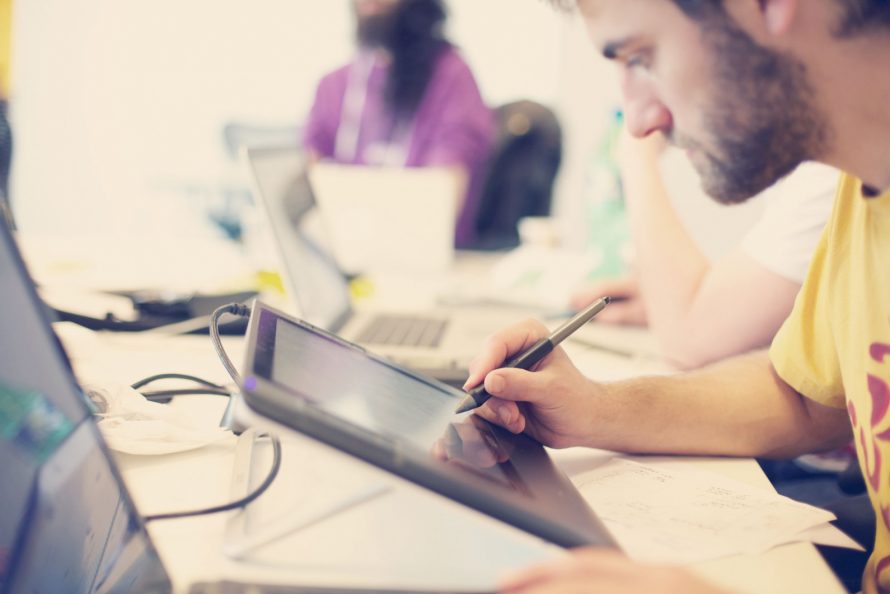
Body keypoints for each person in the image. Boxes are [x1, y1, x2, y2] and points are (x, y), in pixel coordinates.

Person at [465, 1, 890, 593]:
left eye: (643, 57)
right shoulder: (862, 186)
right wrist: (595, 408)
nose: (640, 122)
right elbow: (808, 400)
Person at [571, 131, 837, 370]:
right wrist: (667, 303)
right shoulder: (807, 168)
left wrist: (635, 150)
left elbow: (689, 345)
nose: (650, 118)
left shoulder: (829, 174)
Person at [302, 0, 495, 249]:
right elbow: (311, 179)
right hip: (344, 253)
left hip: (428, 258)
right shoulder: (334, 85)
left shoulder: (452, 78)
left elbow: (438, 205)